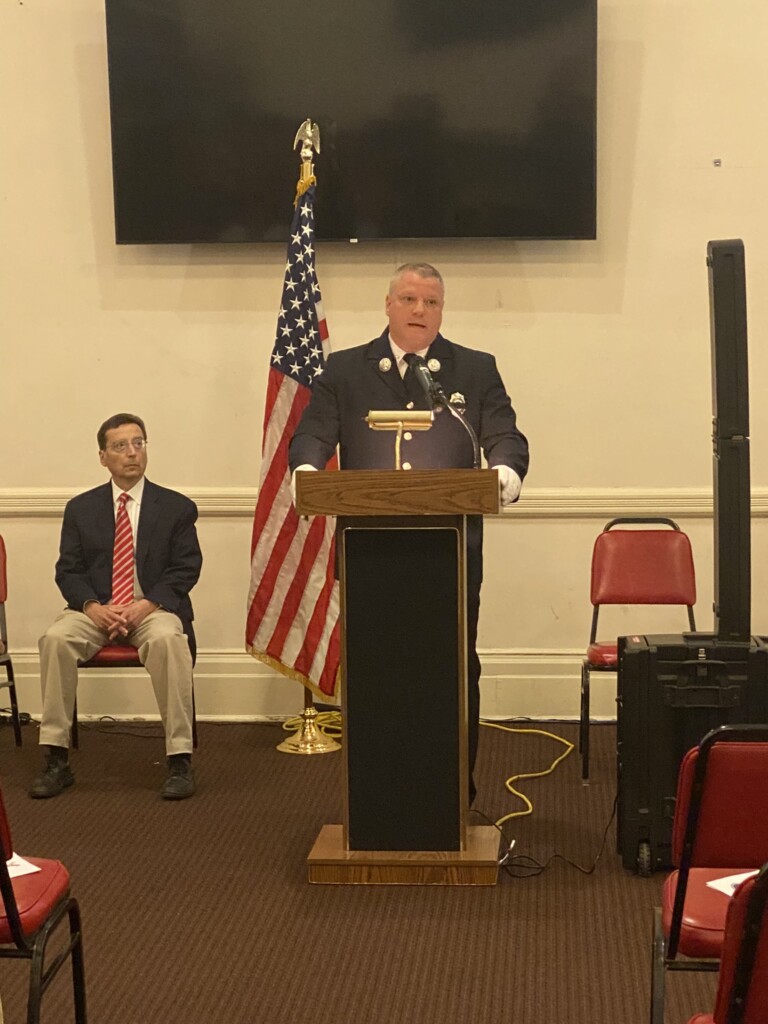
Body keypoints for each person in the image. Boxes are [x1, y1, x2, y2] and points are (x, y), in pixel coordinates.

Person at [289, 262, 529, 801]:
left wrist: (507, 472)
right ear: (389, 304)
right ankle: (376, 796)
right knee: (378, 675)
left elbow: (505, 433)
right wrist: (305, 472)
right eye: (410, 299)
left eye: (432, 302)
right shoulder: (346, 370)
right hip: (369, 557)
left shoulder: (473, 368)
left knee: (451, 672)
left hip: (451, 557)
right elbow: (312, 435)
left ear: (442, 310)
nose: (420, 311)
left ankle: (451, 795)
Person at [30, 413, 203, 801]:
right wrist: (91, 607)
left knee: (168, 642)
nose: (132, 453)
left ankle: (179, 758)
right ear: (102, 456)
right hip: (95, 611)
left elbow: (186, 568)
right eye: (120, 446)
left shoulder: (176, 507)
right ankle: (56, 757)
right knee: (55, 639)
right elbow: (68, 571)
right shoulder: (81, 509)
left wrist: (146, 604)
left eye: (139, 443)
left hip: (152, 609)